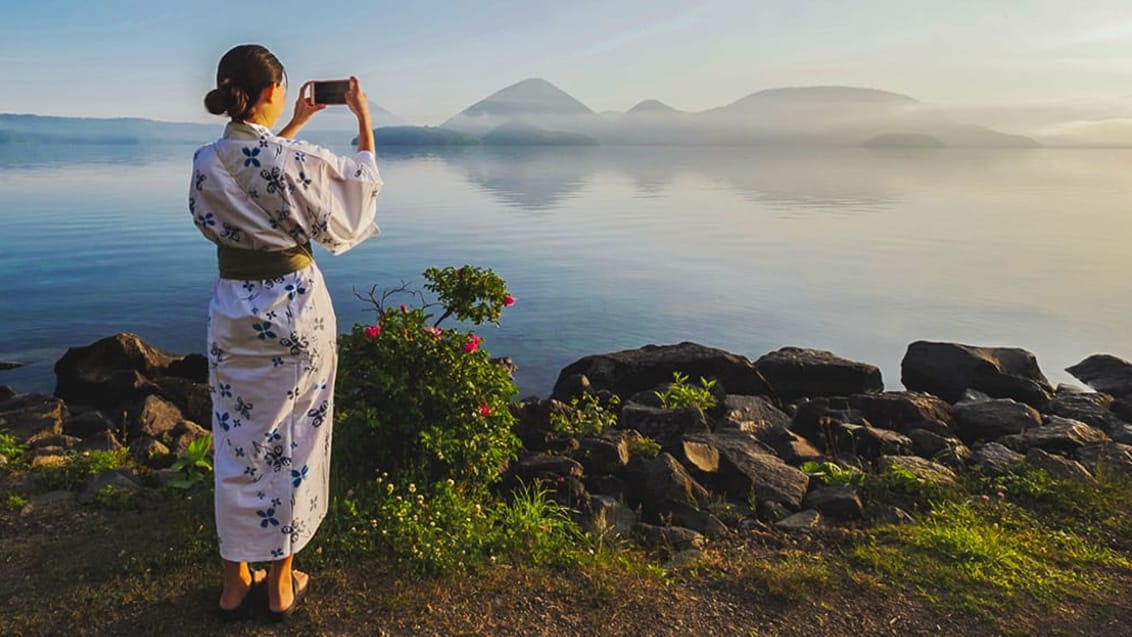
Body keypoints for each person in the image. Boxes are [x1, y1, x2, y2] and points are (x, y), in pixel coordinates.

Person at [189, 43, 382, 621]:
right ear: (272, 92)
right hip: (294, 314)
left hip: (232, 317)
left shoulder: (204, 161)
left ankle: (233, 581)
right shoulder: (292, 161)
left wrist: (294, 124)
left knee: (236, 442)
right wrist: (362, 118)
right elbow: (353, 197)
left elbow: (255, 165)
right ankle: (278, 584)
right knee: (291, 442)